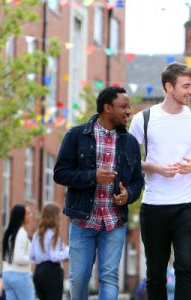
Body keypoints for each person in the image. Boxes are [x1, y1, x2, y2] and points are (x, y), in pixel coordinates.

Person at [129, 62, 191, 300]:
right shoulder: (142, 119)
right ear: (169, 87)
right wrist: (156, 168)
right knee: (155, 273)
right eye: (186, 86)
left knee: (186, 265)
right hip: (154, 204)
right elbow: (131, 160)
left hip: (188, 203)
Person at [53, 86, 144, 300]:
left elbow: (138, 181)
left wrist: (128, 194)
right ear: (107, 108)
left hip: (114, 221)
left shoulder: (130, 142)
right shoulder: (77, 135)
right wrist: (92, 176)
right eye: (124, 107)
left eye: (129, 107)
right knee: (79, 277)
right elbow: (60, 174)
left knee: (109, 277)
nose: (129, 111)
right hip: (83, 220)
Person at [30, 203, 69, 300]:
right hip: (52, 273)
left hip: (38, 272)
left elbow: (32, 256)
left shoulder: (37, 233)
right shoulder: (54, 233)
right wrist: (68, 251)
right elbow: (54, 256)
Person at [1, 204, 34, 300]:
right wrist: (33, 257)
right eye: (27, 214)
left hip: (7, 274)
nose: (30, 215)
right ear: (21, 217)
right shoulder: (21, 233)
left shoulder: (9, 232)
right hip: (20, 275)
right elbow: (19, 258)